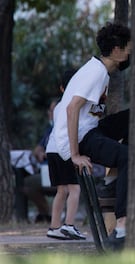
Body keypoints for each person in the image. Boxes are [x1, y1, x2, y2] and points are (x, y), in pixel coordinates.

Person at [46, 22, 131, 249]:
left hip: (90, 129)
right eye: (129, 47)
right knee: (127, 157)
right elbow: (72, 108)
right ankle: (122, 225)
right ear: (116, 51)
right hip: (79, 139)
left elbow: (87, 112)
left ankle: (114, 179)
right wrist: (74, 154)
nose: (131, 52)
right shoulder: (95, 72)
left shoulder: (99, 70)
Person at [46, 69, 86, 240]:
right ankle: (69, 225)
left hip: (51, 149)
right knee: (75, 188)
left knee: (61, 190)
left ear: (62, 88)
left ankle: (54, 227)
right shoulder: (76, 105)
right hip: (65, 149)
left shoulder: (57, 106)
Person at [21, 99, 58, 223]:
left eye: (52, 111)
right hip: (45, 170)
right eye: (49, 110)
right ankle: (44, 213)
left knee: (29, 183)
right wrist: (40, 153)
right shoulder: (49, 129)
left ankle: (53, 217)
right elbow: (37, 149)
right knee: (27, 184)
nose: (49, 114)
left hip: (58, 170)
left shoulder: (62, 129)